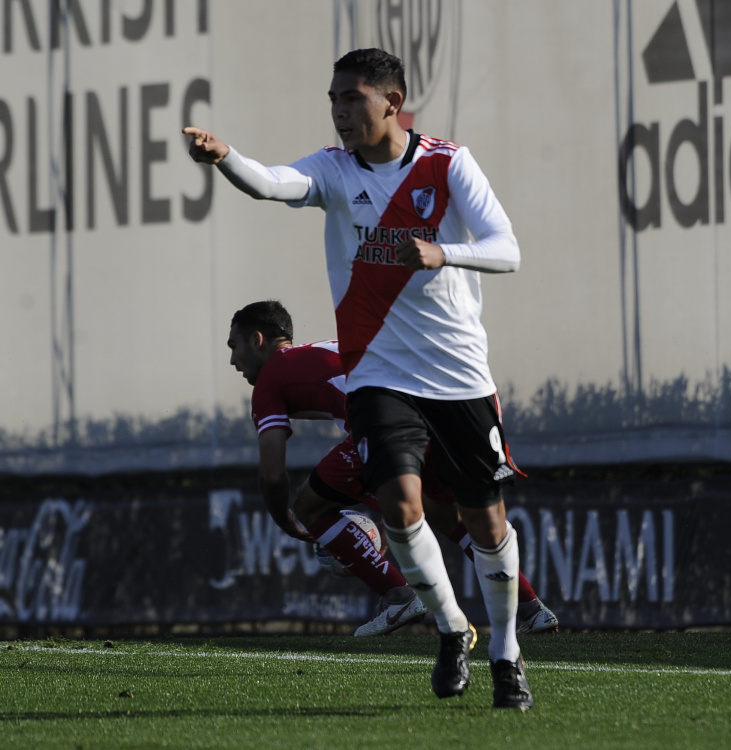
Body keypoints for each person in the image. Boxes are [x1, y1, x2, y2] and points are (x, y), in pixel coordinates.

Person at [186, 49, 533, 708]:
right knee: (400, 508)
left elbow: (507, 249)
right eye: (334, 100)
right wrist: (226, 157)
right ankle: (450, 628)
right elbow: (271, 183)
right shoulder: (334, 169)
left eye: (353, 99)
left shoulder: (448, 164)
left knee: (487, 523)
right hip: (378, 375)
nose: (341, 112)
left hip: (457, 373)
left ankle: (507, 651)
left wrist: (443, 252)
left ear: (392, 102)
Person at [227, 300, 559, 639]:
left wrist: (284, 520)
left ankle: (399, 597)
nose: (232, 360)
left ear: (257, 340)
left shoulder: (270, 378)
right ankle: (531, 610)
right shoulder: (318, 353)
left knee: (309, 506)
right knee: (450, 516)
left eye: (233, 346)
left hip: (389, 419)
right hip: (449, 403)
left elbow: (272, 474)